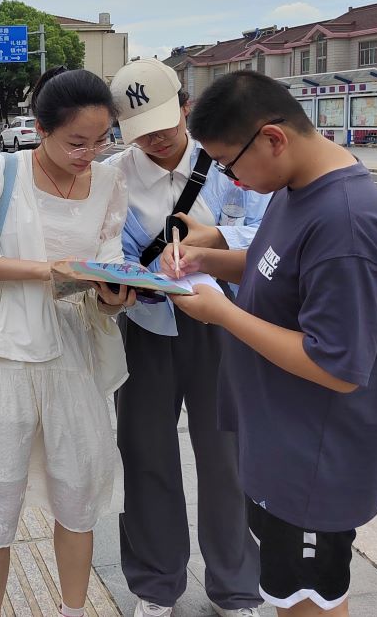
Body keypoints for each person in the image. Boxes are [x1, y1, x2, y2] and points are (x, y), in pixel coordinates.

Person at [163, 70, 377, 616]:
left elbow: (337, 365)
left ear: (273, 138)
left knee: (308, 606)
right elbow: (276, 268)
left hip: (312, 467)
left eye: (231, 163)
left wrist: (223, 313)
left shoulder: (346, 224)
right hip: (281, 447)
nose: (233, 179)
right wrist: (208, 260)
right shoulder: (297, 185)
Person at [0, 66, 135, 617]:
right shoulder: (3, 171)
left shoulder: (107, 181)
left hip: (76, 355)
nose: (90, 154)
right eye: (77, 142)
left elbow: (111, 258)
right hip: (6, 356)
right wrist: (43, 270)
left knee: (77, 500)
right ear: (42, 130)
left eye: (101, 141)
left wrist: (114, 295)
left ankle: (73, 611)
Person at [106, 60, 266, 617]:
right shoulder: (115, 178)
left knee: (227, 456)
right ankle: (155, 584)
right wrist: (118, 284)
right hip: (147, 327)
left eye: (163, 122)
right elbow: (109, 250)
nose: (154, 137)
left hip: (222, 323)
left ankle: (238, 586)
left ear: (186, 106)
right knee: (145, 453)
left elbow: (271, 233)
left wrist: (214, 242)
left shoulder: (229, 164)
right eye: (139, 127)